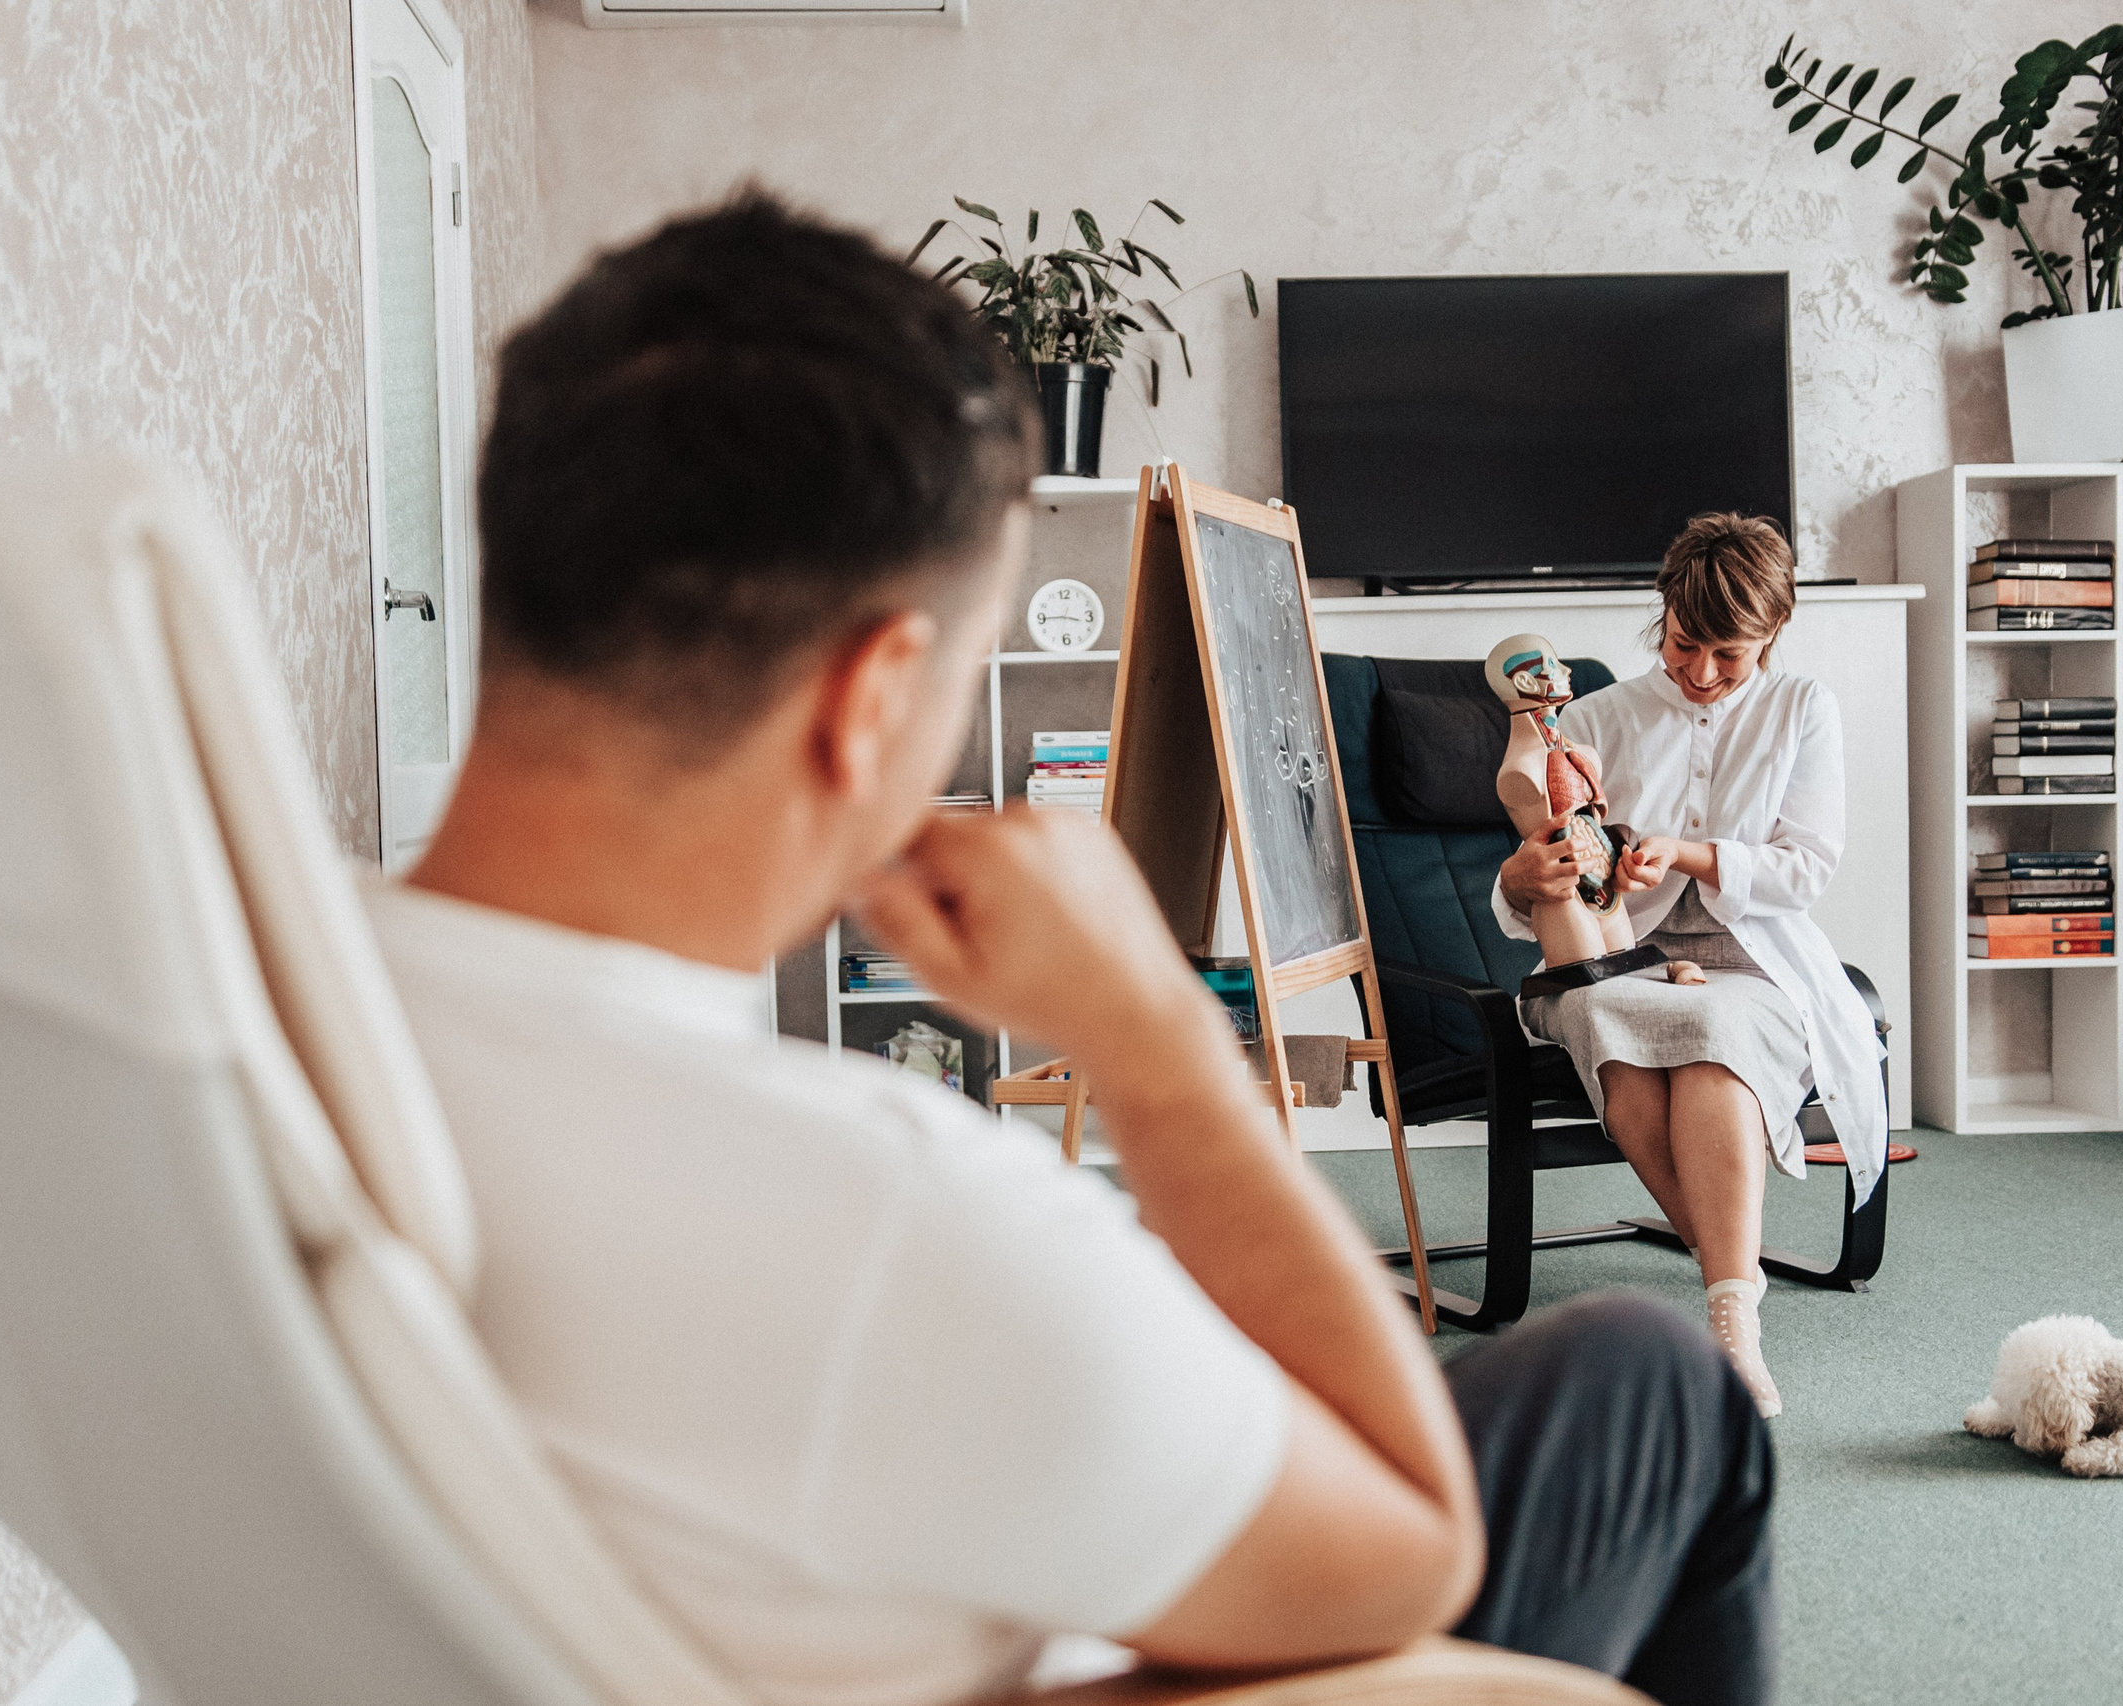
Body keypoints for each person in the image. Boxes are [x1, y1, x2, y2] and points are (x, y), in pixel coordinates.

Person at [368, 191, 1775, 1706]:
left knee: (1641, 1368)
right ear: (870, 700)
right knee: (1675, 1405)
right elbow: (1410, 1547)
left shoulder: (254, 1017)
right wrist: (1157, 1046)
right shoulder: (887, 1200)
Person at [1492, 517, 1889, 1419]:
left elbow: (1806, 867)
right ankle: (1734, 1306)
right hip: (1611, 960)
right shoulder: (1591, 719)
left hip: (1753, 959)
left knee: (1713, 1033)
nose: (1701, 671)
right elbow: (1531, 894)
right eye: (1683, 645)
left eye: (1729, 655)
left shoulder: (1802, 708)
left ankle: (1729, 1323)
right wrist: (1527, 875)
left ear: (1773, 637)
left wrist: (1690, 854)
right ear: (1660, 616)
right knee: (1625, 1033)